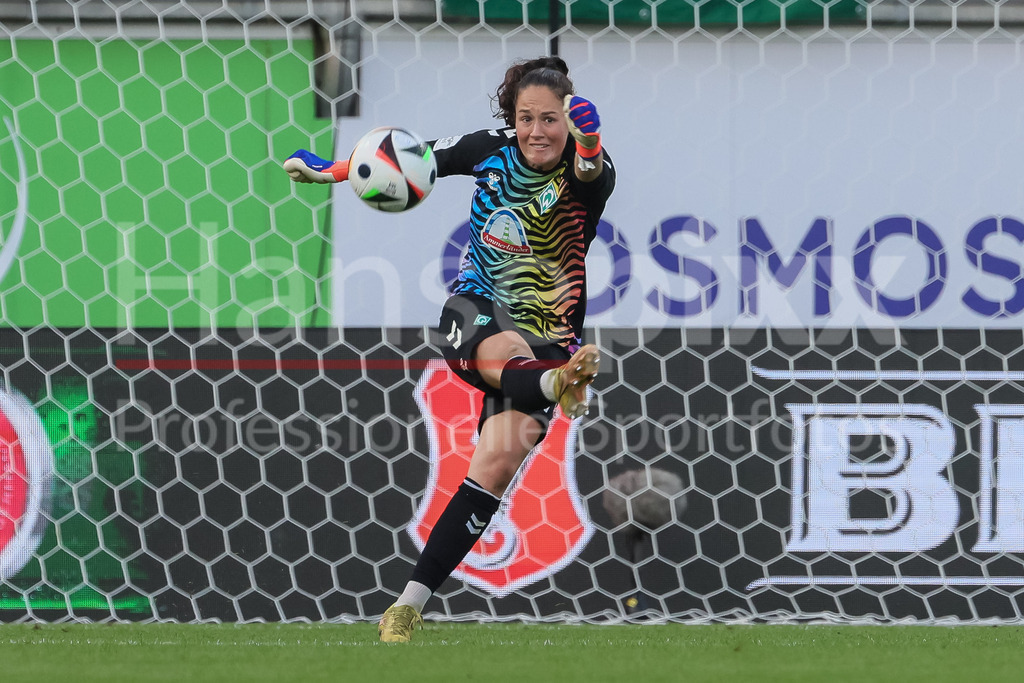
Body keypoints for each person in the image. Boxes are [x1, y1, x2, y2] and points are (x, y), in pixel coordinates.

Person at [283, 56, 615, 642]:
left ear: (567, 120)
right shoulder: (489, 148)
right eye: (526, 118)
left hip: (551, 332)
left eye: (550, 119)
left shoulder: (590, 169)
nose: (537, 131)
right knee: (506, 349)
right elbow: (408, 157)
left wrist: (588, 143)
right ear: (512, 118)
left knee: (493, 467)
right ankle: (557, 383)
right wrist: (330, 171)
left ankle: (406, 607)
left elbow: (590, 172)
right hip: (477, 307)